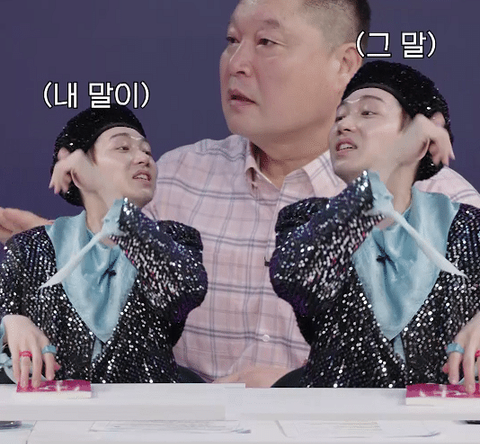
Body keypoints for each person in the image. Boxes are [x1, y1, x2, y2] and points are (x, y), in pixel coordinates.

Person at [3, 0, 480, 387]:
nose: (237, 64)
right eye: (232, 41)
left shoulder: (443, 202)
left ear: (344, 64)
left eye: (267, 42)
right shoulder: (175, 178)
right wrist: (61, 256)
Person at [269, 61, 480, 393]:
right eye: (339, 117)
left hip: (446, 422)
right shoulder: (307, 219)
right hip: (334, 420)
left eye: (367, 112)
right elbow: (296, 276)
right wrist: (379, 175)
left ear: (420, 144)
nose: (344, 124)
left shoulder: (467, 227)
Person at [0, 105, 208, 387]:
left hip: (148, 411)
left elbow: (183, 288)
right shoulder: (31, 248)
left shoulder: (175, 239)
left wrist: (112, 201)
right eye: (122, 148)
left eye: (147, 151)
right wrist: (10, 324)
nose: (143, 158)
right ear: (77, 173)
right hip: (56, 413)